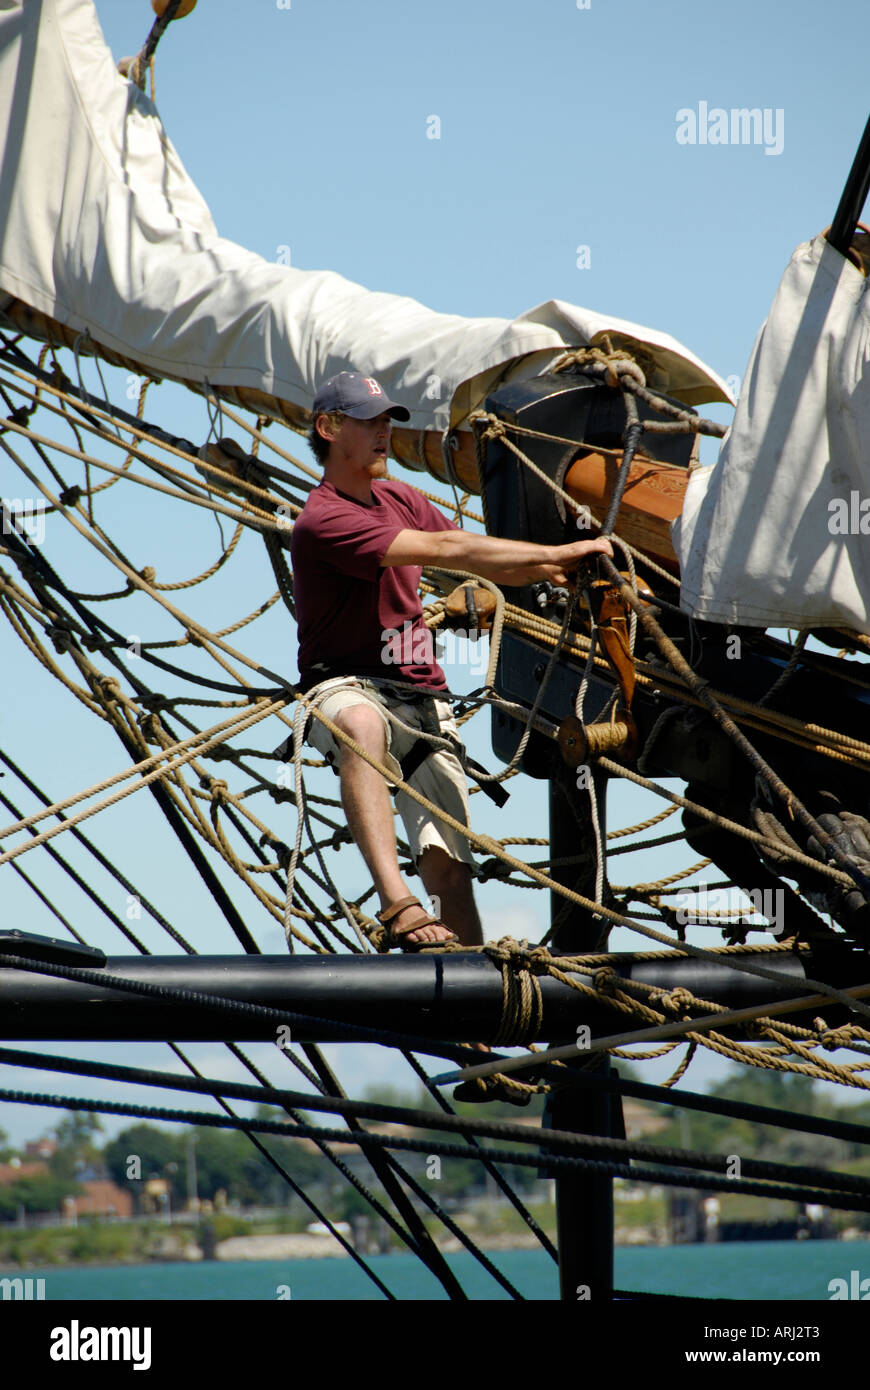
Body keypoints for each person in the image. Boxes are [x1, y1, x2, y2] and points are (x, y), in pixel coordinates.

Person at [290, 371, 612, 951]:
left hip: (422, 698)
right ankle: (396, 903)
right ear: (329, 428)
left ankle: (475, 1030)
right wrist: (554, 555)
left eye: (388, 420)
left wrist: (492, 586)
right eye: (369, 421)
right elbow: (444, 548)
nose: (384, 432)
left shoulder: (400, 499)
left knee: (451, 875)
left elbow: (471, 561)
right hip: (348, 688)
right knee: (362, 725)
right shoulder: (323, 520)